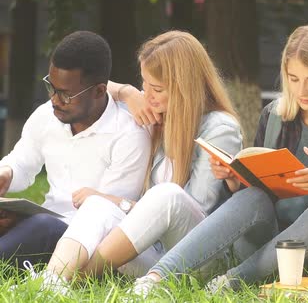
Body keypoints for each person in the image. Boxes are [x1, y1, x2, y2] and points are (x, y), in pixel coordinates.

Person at [129, 24, 308, 296]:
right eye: (293, 79)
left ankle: (234, 280)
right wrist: (235, 179)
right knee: (252, 198)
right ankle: (157, 277)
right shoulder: (274, 116)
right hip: (265, 247)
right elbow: (259, 194)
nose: (302, 91)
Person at [34, 31, 242, 292]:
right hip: (155, 255)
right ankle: (51, 283)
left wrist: (120, 203)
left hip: (201, 257)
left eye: (156, 89)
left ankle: (80, 279)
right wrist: (127, 92)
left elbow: (196, 209)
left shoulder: (220, 129)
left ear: (184, 88)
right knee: (97, 205)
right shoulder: (160, 118)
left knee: (167, 195)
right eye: (144, 84)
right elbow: (91, 87)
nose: (148, 95)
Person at [0, 31, 150, 267]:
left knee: (43, 227)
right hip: (42, 223)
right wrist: (7, 173)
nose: (54, 100)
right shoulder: (46, 116)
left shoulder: (129, 134)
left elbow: (105, 217)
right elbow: (21, 162)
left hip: (82, 242)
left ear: (100, 91)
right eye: (51, 87)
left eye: (66, 95)